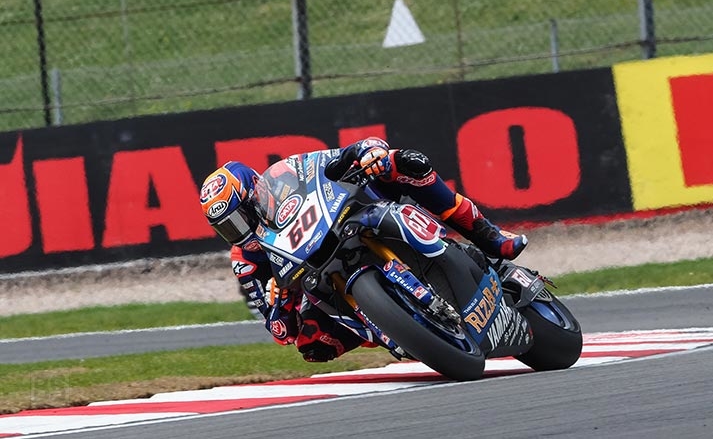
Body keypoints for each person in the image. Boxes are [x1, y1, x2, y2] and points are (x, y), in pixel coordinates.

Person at [199, 137, 528, 362]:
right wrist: (280, 304)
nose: (238, 232)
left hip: (349, 217)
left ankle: (488, 235)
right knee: (312, 344)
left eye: (239, 219)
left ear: (255, 192)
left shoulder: (285, 174)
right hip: (316, 279)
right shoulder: (245, 260)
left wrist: (368, 152)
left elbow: (340, 157)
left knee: (404, 162)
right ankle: (395, 327)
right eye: (227, 228)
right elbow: (279, 331)